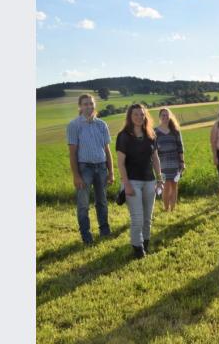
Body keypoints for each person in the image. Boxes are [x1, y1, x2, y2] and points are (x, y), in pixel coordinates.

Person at [116, 104, 164, 259]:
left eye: (142, 114)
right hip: (132, 182)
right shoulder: (123, 136)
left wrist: (159, 178)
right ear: (130, 117)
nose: (139, 117)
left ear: (145, 116)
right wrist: (127, 184)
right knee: (137, 218)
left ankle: (145, 243)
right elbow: (121, 163)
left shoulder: (151, 134)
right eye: (135, 114)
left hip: (150, 181)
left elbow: (155, 158)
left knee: (147, 218)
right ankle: (138, 249)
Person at [66, 93, 114, 244]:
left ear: (94, 106)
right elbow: (72, 153)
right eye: (85, 104)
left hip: (101, 167)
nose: (89, 107)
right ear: (80, 107)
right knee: (83, 204)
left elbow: (107, 150)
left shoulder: (102, 125)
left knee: (102, 202)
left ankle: (105, 231)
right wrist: (76, 175)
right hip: (84, 169)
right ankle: (86, 236)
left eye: (91, 104)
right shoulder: (74, 125)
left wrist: (111, 171)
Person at [155, 108, 185, 212]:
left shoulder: (175, 131)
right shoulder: (155, 132)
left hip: (175, 163)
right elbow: (153, 150)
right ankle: (166, 208)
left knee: (174, 186)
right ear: (159, 117)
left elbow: (180, 148)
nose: (165, 117)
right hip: (162, 164)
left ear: (170, 117)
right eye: (163, 115)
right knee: (166, 187)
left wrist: (182, 162)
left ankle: (172, 209)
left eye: (167, 115)